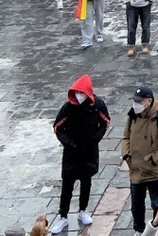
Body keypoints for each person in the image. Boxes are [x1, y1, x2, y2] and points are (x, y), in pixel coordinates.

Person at [50, 73, 111, 234]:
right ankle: (63, 216)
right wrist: (69, 144)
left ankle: (83, 210)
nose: (79, 96)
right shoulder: (68, 108)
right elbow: (58, 127)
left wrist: (95, 139)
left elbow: (105, 122)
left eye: (81, 93)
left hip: (89, 152)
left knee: (86, 182)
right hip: (71, 154)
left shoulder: (97, 105)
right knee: (67, 186)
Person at [123, 85, 158, 234]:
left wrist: (154, 159)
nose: (136, 105)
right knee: (136, 205)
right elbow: (126, 136)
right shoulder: (133, 115)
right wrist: (126, 154)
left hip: (153, 170)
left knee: (157, 204)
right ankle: (139, 229)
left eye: (139, 102)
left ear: (148, 101)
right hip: (136, 169)